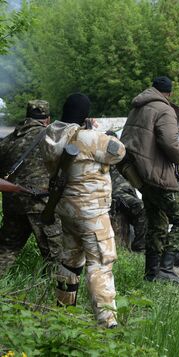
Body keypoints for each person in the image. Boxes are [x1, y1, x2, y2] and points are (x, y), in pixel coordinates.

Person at [41, 93, 125, 328]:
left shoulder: (51, 135)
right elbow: (119, 152)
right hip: (92, 213)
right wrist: (104, 135)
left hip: (67, 208)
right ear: (85, 115)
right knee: (100, 262)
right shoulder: (88, 138)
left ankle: (63, 311)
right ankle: (107, 321)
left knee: (70, 260)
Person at [121, 76, 179, 283]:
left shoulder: (137, 107)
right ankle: (166, 269)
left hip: (140, 175)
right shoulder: (164, 109)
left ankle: (151, 273)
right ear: (169, 93)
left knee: (157, 224)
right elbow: (170, 141)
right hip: (158, 175)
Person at [0, 100, 63, 274]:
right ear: (47, 119)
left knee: (6, 248)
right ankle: (57, 293)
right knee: (55, 254)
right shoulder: (52, 138)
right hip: (41, 204)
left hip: (13, 203)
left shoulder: (8, 141)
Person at [105, 131, 146, 252]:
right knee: (140, 207)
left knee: (144, 208)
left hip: (125, 193)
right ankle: (140, 247)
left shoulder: (121, 156)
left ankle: (140, 245)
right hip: (116, 194)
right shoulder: (101, 157)